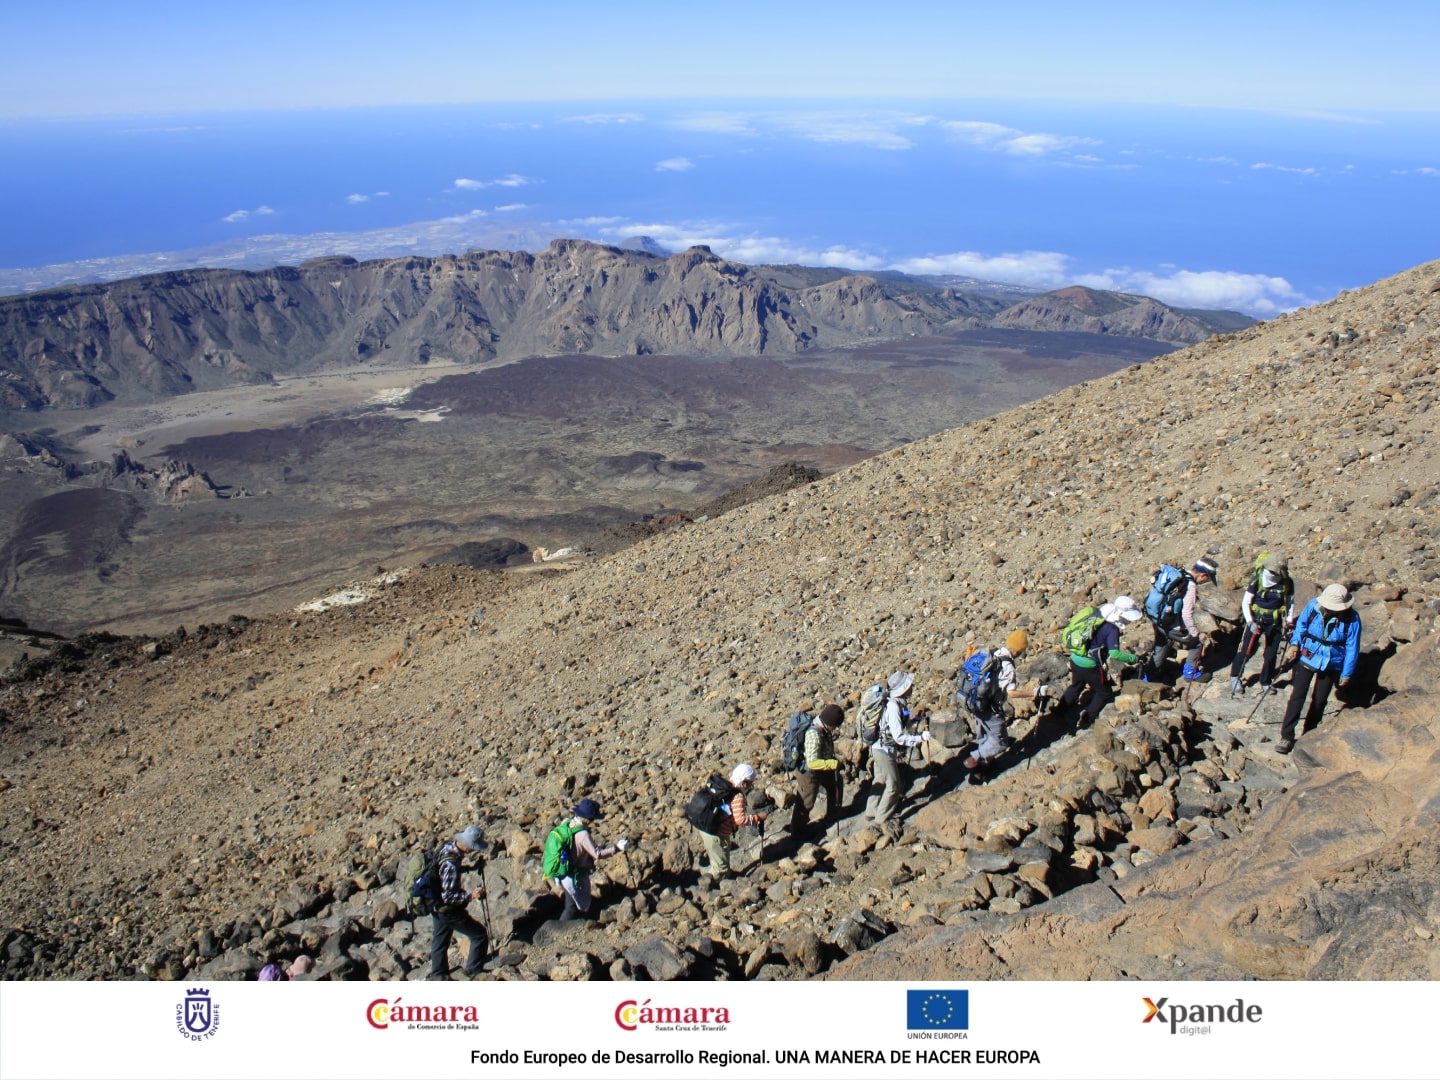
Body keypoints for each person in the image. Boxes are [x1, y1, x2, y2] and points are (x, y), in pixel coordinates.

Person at [1276, 584, 1362, 754]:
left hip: (1332, 662)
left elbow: (1353, 647)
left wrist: (1347, 673)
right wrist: (1294, 643)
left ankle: (1309, 735)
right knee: (1297, 696)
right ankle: (1286, 735)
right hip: (1307, 655)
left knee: (1320, 700)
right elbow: (1301, 625)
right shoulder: (1314, 606)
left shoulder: (1353, 619)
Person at [963, 630, 1051, 777]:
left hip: (974, 702)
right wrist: (1035, 692)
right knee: (1000, 742)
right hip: (990, 708)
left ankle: (981, 769)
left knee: (984, 736)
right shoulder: (1008, 667)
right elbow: (1011, 693)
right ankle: (975, 757)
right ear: (1018, 650)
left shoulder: (993, 653)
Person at [1058, 599, 1142, 728]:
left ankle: (1060, 711)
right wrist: (1133, 658)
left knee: (1076, 685)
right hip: (1089, 666)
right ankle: (1087, 719)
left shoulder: (1098, 614)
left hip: (1075, 658)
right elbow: (1114, 654)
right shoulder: (1112, 629)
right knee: (1104, 692)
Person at [1229, 553, 1296, 696]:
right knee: (1247, 651)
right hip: (1256, 620)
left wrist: (1289, 622)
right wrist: (1250, 622)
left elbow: (1289, 603)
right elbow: (1246, 602)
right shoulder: (1257, 580)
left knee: (1271, 655)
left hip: (1275, 622)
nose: (1275, 575)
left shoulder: (1287, 582)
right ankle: (1235, 676)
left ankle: (1266, 681)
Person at [869, 671, 930, 825]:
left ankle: (872, 811)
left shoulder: (891, 701)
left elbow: (894, 721)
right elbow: (899, 737)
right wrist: (919, 738)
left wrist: (911, 718)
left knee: (880, 778)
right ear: (903, 688)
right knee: (893, 785)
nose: (912, 687)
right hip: (885, 750)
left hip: (876, 746)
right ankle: (881, 820)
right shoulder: (893, 707)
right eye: (909, 685)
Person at [429, 824, 489, 980]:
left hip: (434, 905)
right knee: (479, 935)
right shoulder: (451, 864)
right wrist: (471, 896)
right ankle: (474, 971)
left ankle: (439, 975)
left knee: (440, 941)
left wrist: (469, 868)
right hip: (448, 909)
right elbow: (448, 896)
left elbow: (442, 873)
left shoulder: (447, 847)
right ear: (470, 846)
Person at [552, 798, 628, 919]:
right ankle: (562, 931)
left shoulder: (566, 823)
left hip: (563, 872)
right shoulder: (583, 835)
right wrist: (617, 848)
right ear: (588, 819)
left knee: (570, 903)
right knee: (571, 907)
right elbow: (597, 854)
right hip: (574, 876)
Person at [1147, 557, 1218, 682]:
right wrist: (1196, 634)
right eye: (1207, 579)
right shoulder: (1190, 586)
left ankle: (1148, 676)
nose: (1206, 582)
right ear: (1202, 575)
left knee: (1162, 645)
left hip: (1159, 620)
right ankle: (1190, 673)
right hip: (1172, 625)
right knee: (1197, 643)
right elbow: (1186, 614)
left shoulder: (1178, 574)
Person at [700, 765, 768, 878]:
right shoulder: (737, 796)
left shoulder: (724, 785)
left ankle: (726, 875)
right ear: (744, 782)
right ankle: (711, 884)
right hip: (716, 834)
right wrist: (758, 818)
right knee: (721, 868)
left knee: (720, 857)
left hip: (707, 827)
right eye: (750, 782)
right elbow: (740, 819)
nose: (751, 785)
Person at [788, 704, 844, 838]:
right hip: (808, 772)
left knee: (835, 785)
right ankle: (797, 832)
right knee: (806, 802)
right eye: (835, 726)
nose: (835, 729)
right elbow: (812, 762)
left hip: (823, 767)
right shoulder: (814, 733)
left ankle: (833, 814)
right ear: (829, 723)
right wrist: (832, 763)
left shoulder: (822, 727)